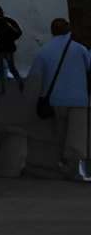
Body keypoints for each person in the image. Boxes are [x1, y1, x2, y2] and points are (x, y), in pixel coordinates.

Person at [29, 15, 91, 180]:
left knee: (61, 134)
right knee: (77, 136)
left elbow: (35, 77)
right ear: (68, 30)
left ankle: (62, 167)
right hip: (79, 99)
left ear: (52, 31)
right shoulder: (80, 49)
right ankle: (75, 171)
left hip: (56, 101)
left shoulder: (44, 51)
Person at [0, 4, 26, 85]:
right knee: (10, 67)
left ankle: (1, 87)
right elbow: (18, 32)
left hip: (1, 47)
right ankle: (19, 83)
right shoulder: (8, 21)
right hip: (8, 47)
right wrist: (11, 39)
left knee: (2, 68)